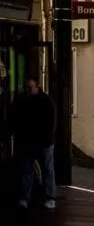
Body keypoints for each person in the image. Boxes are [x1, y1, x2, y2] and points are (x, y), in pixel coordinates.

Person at [11, 78, 57, 210]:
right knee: (28, 170)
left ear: (37, 87)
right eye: (26, 87)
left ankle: (48, 198)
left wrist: (47, 140)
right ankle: (27, 197)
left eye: (30, 88)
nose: (28, 90)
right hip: (29, 141)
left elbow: (50, 123)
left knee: (46, 169)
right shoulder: (25, 101)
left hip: (41, 142)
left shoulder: (46, 102)